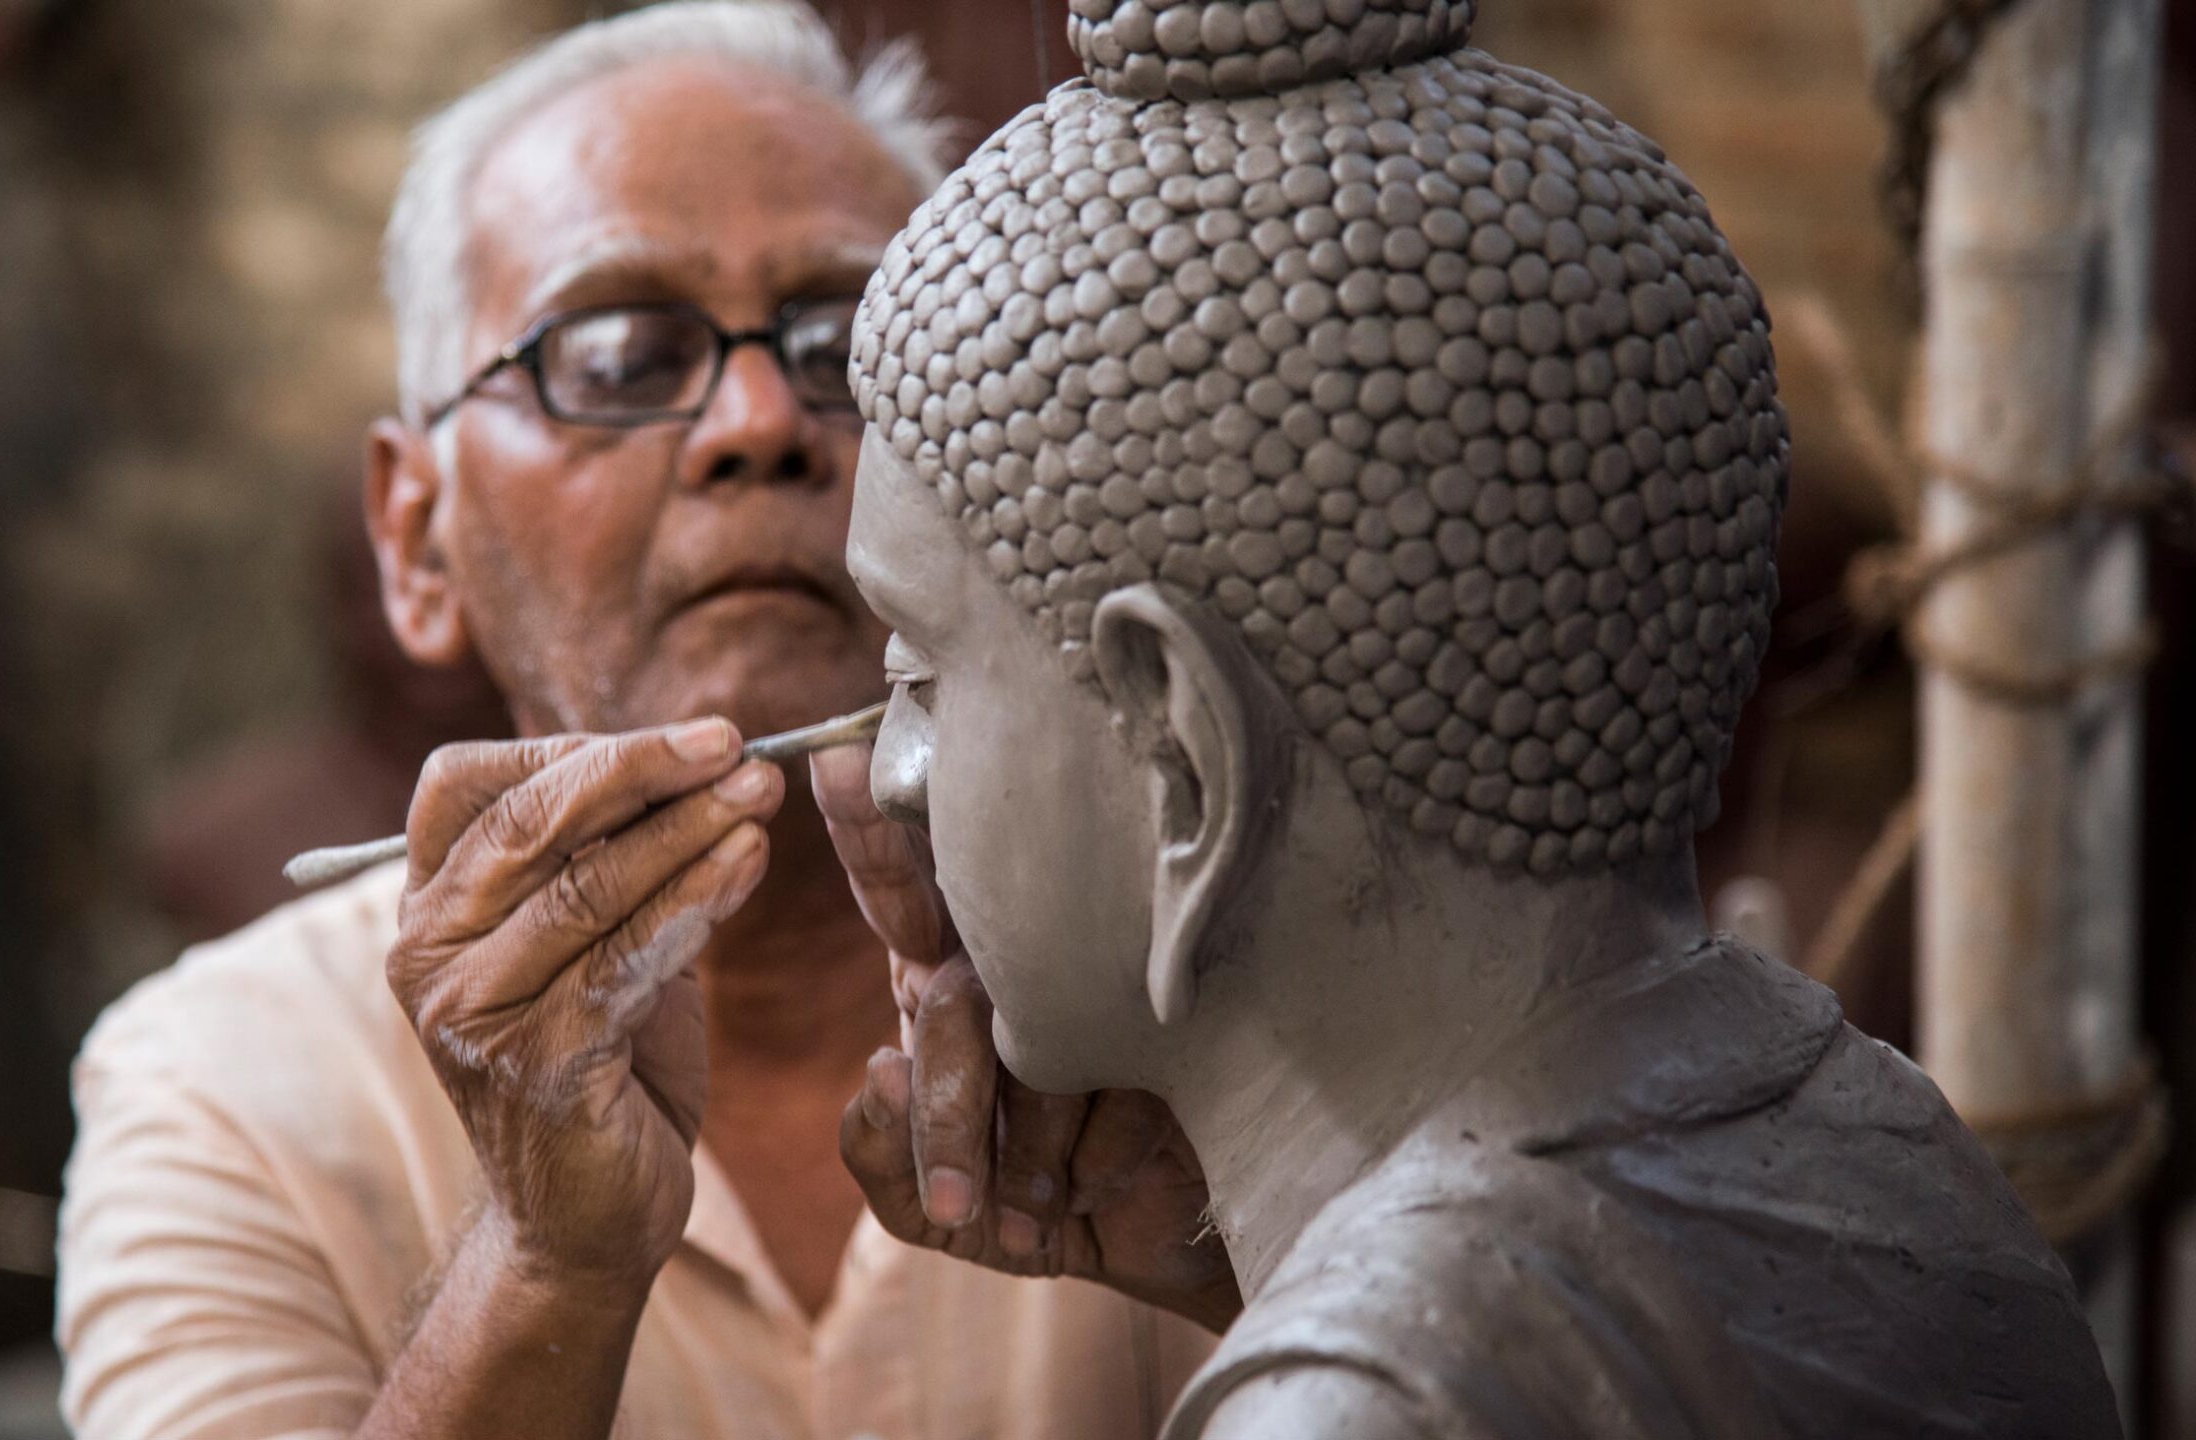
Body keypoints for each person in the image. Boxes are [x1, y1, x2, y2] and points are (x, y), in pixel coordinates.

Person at [815, 0, 2120, 1435]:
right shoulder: (1893, 1159)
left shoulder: (1371, 1409)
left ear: (1183, 757)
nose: (890, 778)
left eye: (920, 675)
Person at [54, 5, 1231, 1437]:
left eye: (850, 342)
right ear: (415, 540)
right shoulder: (227, 1086)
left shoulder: (1208, 959)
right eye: (618, 354)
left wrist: (1251, 1258)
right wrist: (543, 1264)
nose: (756, 418)